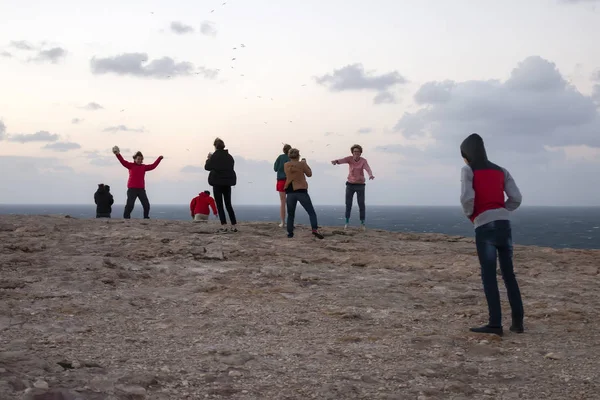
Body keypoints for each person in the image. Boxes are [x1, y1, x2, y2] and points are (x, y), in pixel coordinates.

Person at [460, 133, 524, 336]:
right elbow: (516, 198)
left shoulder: (468, 169)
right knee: (508, 274)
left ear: (467, 154)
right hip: (504, 224)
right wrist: (501, 210)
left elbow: (467, 198)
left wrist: (473, 216)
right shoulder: (501, 170)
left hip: (484, 225)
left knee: (489, 275)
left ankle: (495, 324)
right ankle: (517, 323)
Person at [331, 144, 374, 230]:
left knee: (361, 204)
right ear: (352, 152)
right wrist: (336, 161)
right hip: (350, 184)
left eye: (358, 152)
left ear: (360, 153)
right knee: (348, 204)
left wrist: (370, 175)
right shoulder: (349, 159)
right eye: (354, 151)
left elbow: (367, 168)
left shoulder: (363, 161)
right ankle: (347, 222)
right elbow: (342, 160)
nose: (356, 153)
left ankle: (362, 223)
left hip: (360, 185)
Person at [113, 146, 163, 219]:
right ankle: (126, 218)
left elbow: (153, 166)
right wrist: (117, 154)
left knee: (146, 205)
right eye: (138, 159)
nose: (139, 160)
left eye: (141, 159)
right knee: (130, 205)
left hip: (141, 190)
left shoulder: (144, 167)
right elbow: (122, 161)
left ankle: (146, 217)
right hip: (132, 189)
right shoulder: (130, 165)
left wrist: (159, 159)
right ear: (135, 159)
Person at [284, 148, 324, 239]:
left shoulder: (286, 165)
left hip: (290, 192)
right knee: (311, 212)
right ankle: (314, 229)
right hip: (301, 191)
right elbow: (309, 174)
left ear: (289, 156)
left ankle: (290, 233)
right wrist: (305, 163)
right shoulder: (302, 164)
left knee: (291, 214)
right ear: (298, 155)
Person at [204, 138, 238, 232]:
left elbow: (207, 167)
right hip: (227, 183)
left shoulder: (214, 156)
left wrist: (209, 159)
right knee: (228, 204)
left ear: (215, 146)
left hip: (217, 183)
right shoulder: (229, 156)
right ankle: (234, 225)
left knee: (220, 205)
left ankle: (224, 225)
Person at [274, 144, 292, 228]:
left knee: (282, 202)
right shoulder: (292, 158)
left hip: (281, 180)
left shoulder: (280, 157)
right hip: (290, 181)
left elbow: (275, 168)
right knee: (291, 202)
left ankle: (283, 222)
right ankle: (290, 222)